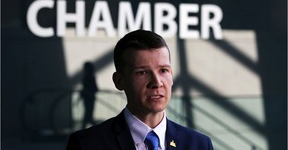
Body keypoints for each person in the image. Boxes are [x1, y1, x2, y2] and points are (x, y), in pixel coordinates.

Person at [66, 29, 214, 150]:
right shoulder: (86, 144)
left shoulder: (199, 145)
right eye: (142, 72)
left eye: (163, 70)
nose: (157, 83)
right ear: (119, 81)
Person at [80, 62, 98, 129]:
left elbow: (95, 88)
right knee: (88, 116)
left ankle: (97, 130)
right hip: (88, 98)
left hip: (89, 98)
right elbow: (95, 89)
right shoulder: (89, 77)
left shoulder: (88, 77)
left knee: (88, 116)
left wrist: (86, 92)